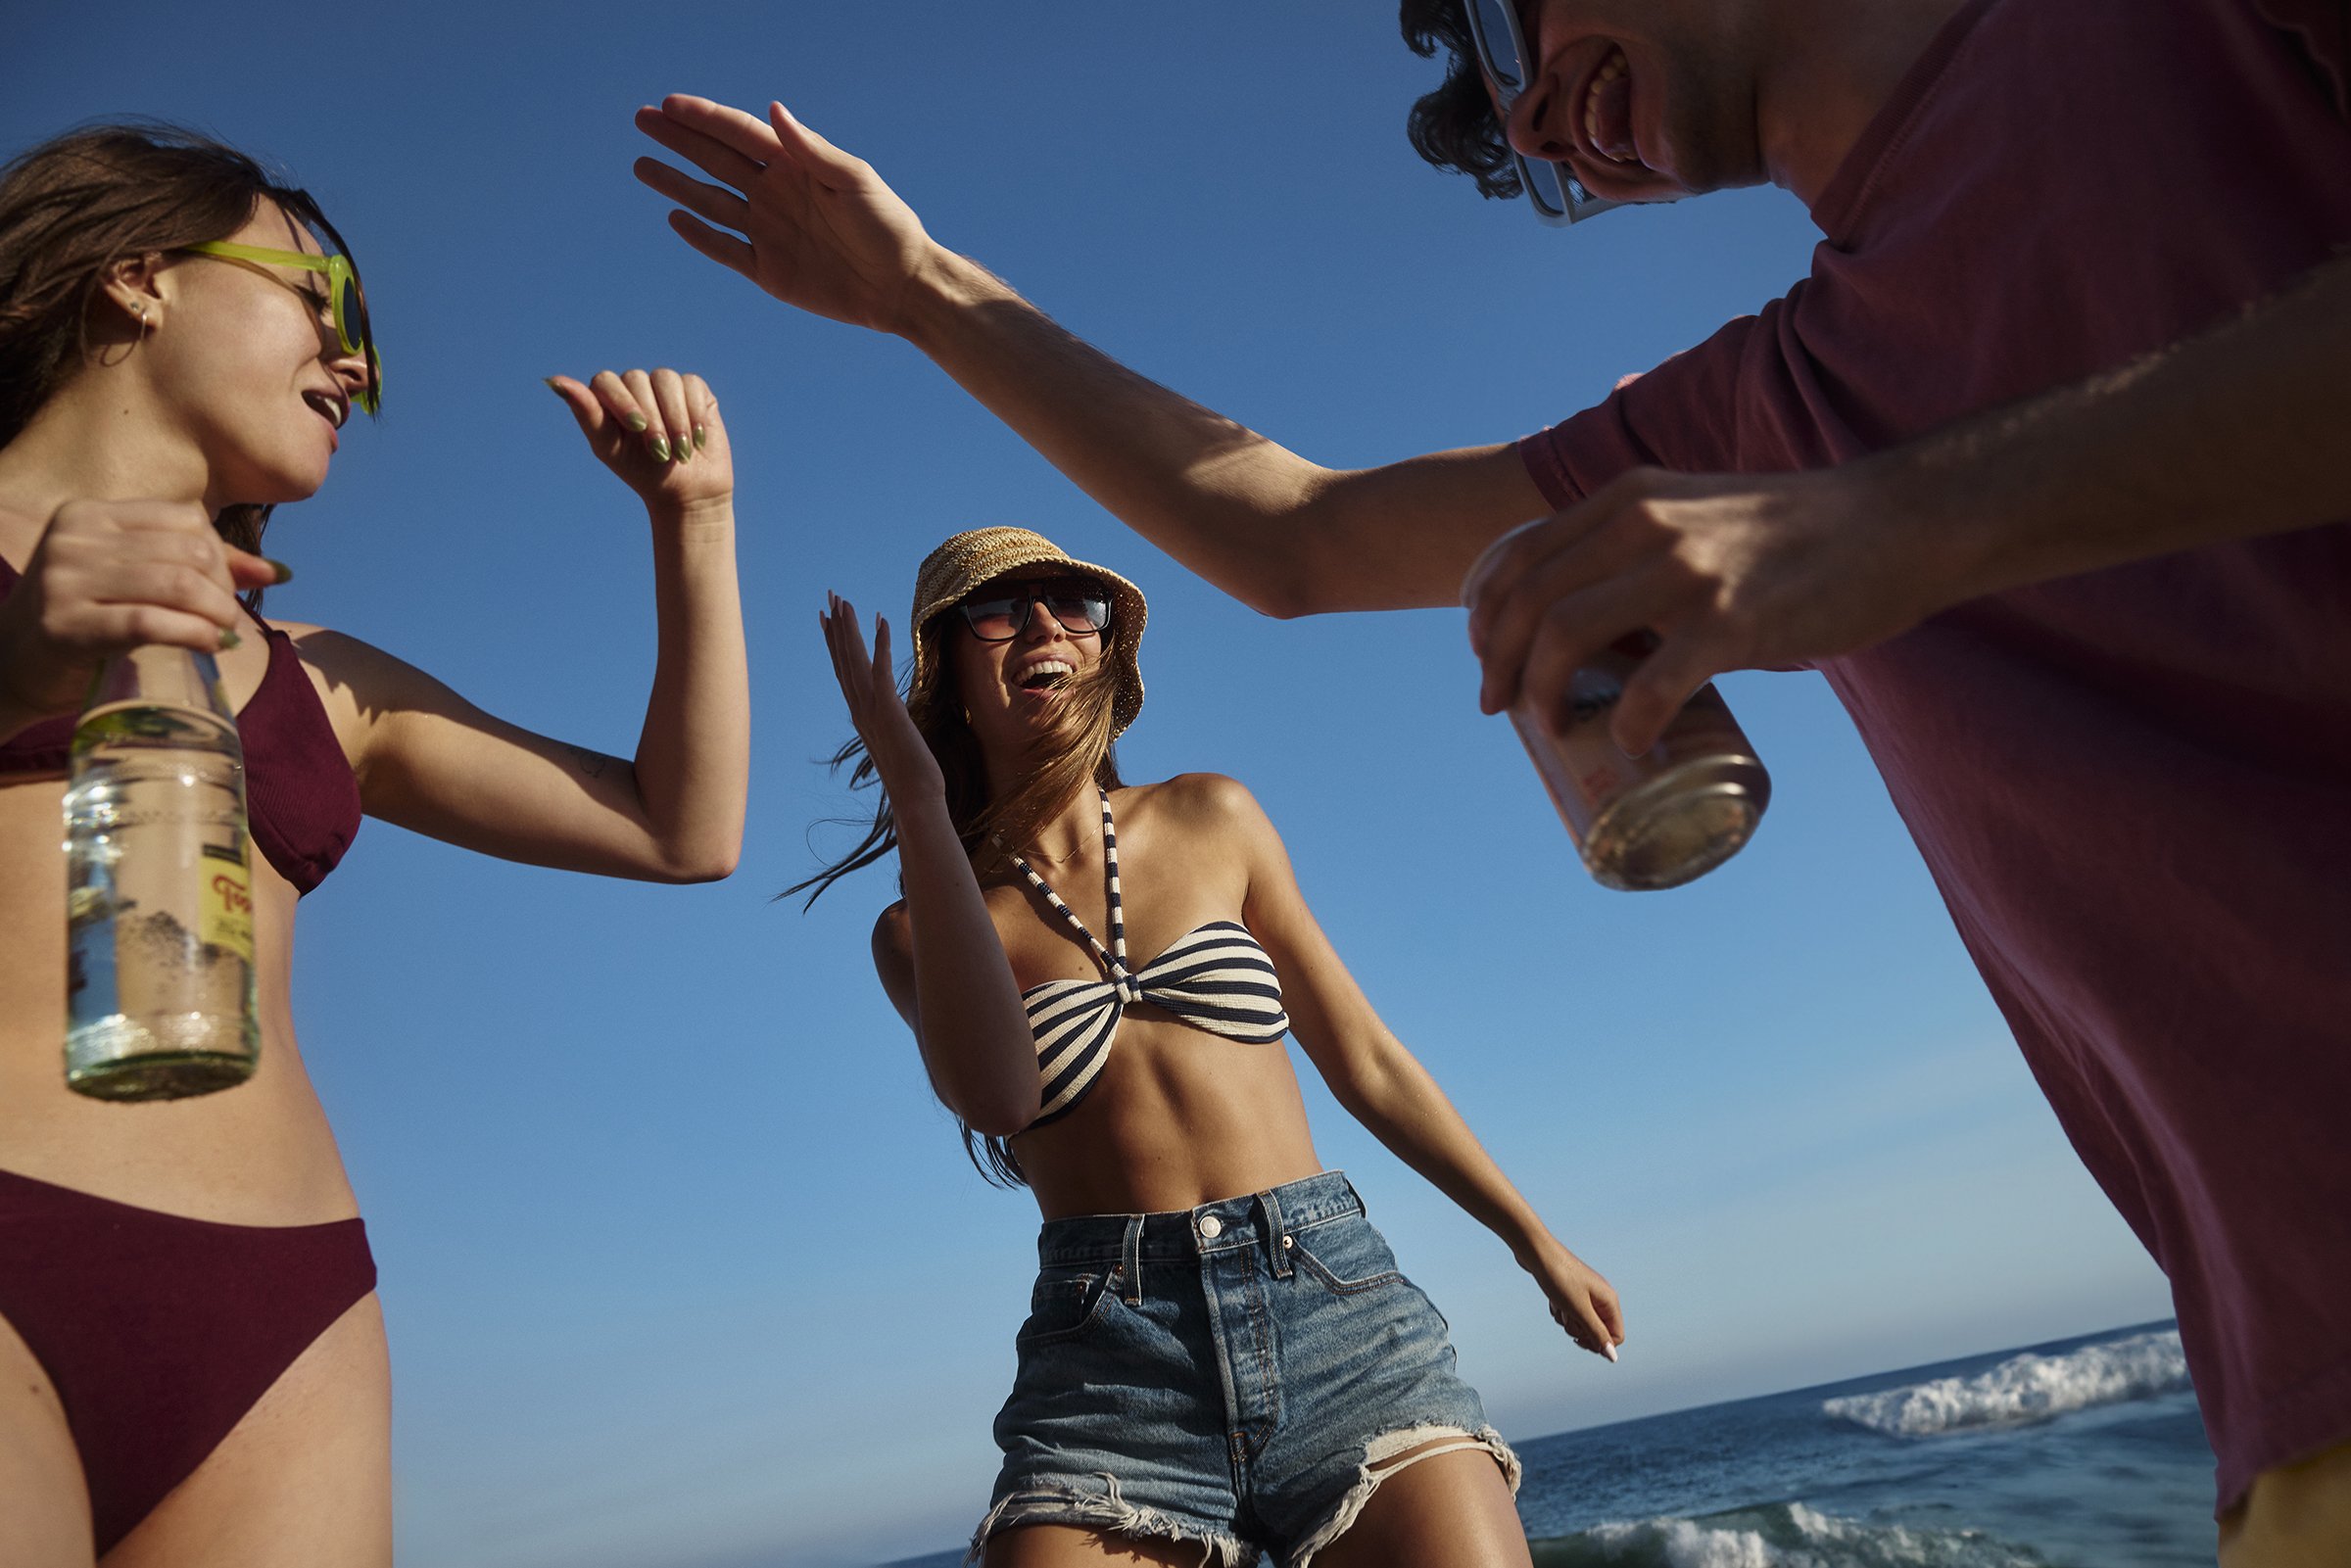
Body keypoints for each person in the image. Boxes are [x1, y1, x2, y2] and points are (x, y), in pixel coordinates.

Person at [631, 2, 2351, 1559]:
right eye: (1488, 124)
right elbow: (1290, 533)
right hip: (2294, 1400)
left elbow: (1361, 1051)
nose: (1522, 126)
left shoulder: (2167, 41)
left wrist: (1915, 517)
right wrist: (916, 287)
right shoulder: (1784, 402)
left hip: (1345, 1314)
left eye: (1487, 34)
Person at [0, 123, 749, 1564]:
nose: (356, 366)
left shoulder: (319, 676)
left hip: (284, 1322)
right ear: (139, 273)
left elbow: (679, 830)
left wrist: (693, 522)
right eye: (324, 305)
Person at [807, 526, 1621, 1566]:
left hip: (1332, 1303)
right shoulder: (918, 931)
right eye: (999, 609)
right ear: (946, 672)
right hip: (1111, 1358)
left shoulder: (1212, 814)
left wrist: (1534, 1239)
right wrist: (920, 804)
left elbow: (1362, 1055)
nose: (1047, 623)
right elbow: (1000, 1096)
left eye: (1073, 603)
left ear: (1107, 652)